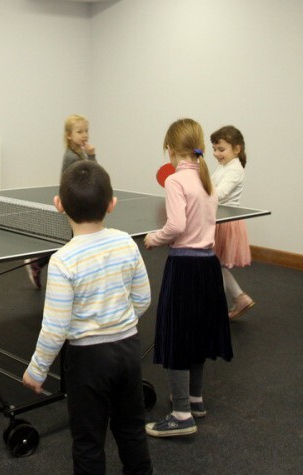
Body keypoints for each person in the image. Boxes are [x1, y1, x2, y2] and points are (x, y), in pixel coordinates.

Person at [23, 160, 152, 474]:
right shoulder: (127, 242)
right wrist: (118, 322)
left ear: (59, 205)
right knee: (132, 429)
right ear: (112, 204)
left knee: (88, 440)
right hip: (127, 351)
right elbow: (143, 299)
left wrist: (37, 369)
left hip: (88, 361)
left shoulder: (63, 260)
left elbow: (55, 328)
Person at [144, 118, 231, 438]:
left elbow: (176, 226)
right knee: (196, 334)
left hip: (184, 267)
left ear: (169, 149)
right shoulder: (207, 181)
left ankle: (181, 415)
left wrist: (154, 238)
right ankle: (195, 399)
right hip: (208, 267)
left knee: (178, 337)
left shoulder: (175, 181)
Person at [27, 114, 99, 289]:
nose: (84, 135)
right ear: (69, 135)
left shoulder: (79, 153)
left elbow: (93, 175)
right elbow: (93, 174)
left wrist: (90, 155)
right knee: (74, 243)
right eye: (79, 131)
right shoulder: (72, 157)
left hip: (79, 203)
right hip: (73, 204)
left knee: (72, 243)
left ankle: (39, 263)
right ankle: (38, 263)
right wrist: (92, 156)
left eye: (86, 131)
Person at [210, 125, 256, 319]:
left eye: (221, 149)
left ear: (237, 149)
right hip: (218, 219)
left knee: (214, 265)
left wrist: (198, 192)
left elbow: (219, 193)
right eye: (214, 149)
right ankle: (240, 297)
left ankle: (216, 307)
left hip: (226, 222)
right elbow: (211, 185)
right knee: (216, 264)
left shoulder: (235, 169)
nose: (216, 153)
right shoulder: (224, 166)